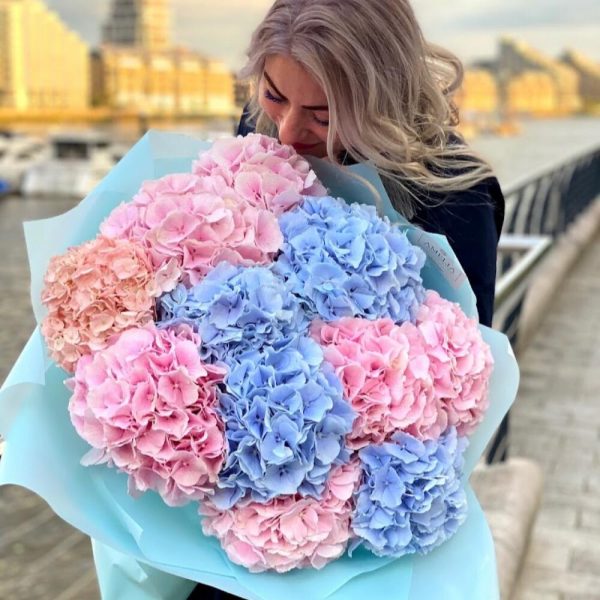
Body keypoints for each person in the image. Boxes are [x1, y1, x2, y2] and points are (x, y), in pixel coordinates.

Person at [189, 0, 504, 597]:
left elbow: (460, 388)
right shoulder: (261, 130)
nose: (286, 132)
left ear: (379, 99)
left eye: (322, 113)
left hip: (352, 520)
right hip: (232, 494)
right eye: (274, 95)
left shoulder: (453, 196)